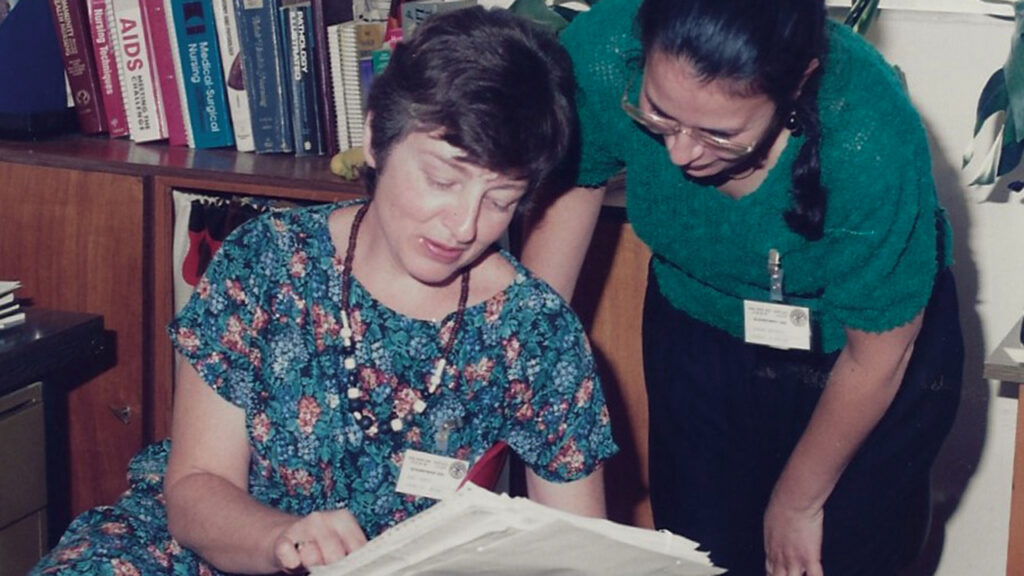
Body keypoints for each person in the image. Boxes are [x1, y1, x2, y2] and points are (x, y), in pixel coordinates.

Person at [33, 7, 617, 575]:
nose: (464, 226)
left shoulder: (534, 330)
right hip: (213, 546)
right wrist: (282, 538)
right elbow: (194, 489)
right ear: (375, 139)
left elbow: (578, 552)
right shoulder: (266, 260)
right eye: (443, 179)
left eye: (500, 200)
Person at [521, 0, 963, 575]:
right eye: (658, 114)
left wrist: (797, 503)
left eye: (718, 133)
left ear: (798, 80)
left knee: (841, 557)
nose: (678, 152)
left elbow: (879, 352)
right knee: (701, 556)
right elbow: (575, 185)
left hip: (860, 361)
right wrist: (525, 355)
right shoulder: (606, 51)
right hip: (700, 331)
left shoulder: (867, 131)